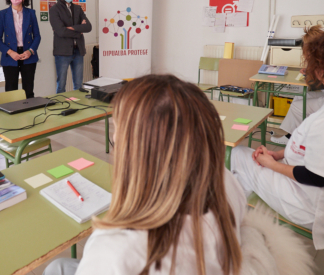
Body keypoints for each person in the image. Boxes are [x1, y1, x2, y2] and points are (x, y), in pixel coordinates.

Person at [45, 74, 246, 274]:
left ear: (138, 151)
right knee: (59, 267)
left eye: (118, 129)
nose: (114, 137)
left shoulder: (115, 251)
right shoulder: (227, 181)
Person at [231, 29, 324, 251]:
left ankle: (226, 225)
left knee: (239, 155)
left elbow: (315, 177)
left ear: (321, 71)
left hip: (310, 203)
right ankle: (235, 226)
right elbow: (318, 150)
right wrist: (279, 153)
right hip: (313, 190)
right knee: (246, 172)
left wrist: (273, 164)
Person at [271, 25, 324, 145]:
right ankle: (290, 135)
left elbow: (314, 84)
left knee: (298, 106)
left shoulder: (322, 59)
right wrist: (310, 72)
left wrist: (310, 76)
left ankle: (297, 140)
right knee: (299, 97)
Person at [0, 0, 40, 97]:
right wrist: (10, 52)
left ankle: (29, 113)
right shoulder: (2, 14)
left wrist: (30, 51)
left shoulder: (31, 13)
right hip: (10, 55)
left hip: (28, 54)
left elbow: (37, 36)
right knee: (11, 90)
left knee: (28, 90)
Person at [49, 0, 91, 93]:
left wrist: (72, 28)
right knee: (61, 85)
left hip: (78, 50)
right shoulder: (54, 9)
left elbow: (88, 27)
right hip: (62, 52)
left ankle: (78, 106)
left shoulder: (77, 8)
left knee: (78, 85)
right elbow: (61, 31)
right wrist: (79, 30)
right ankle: (61, 106)